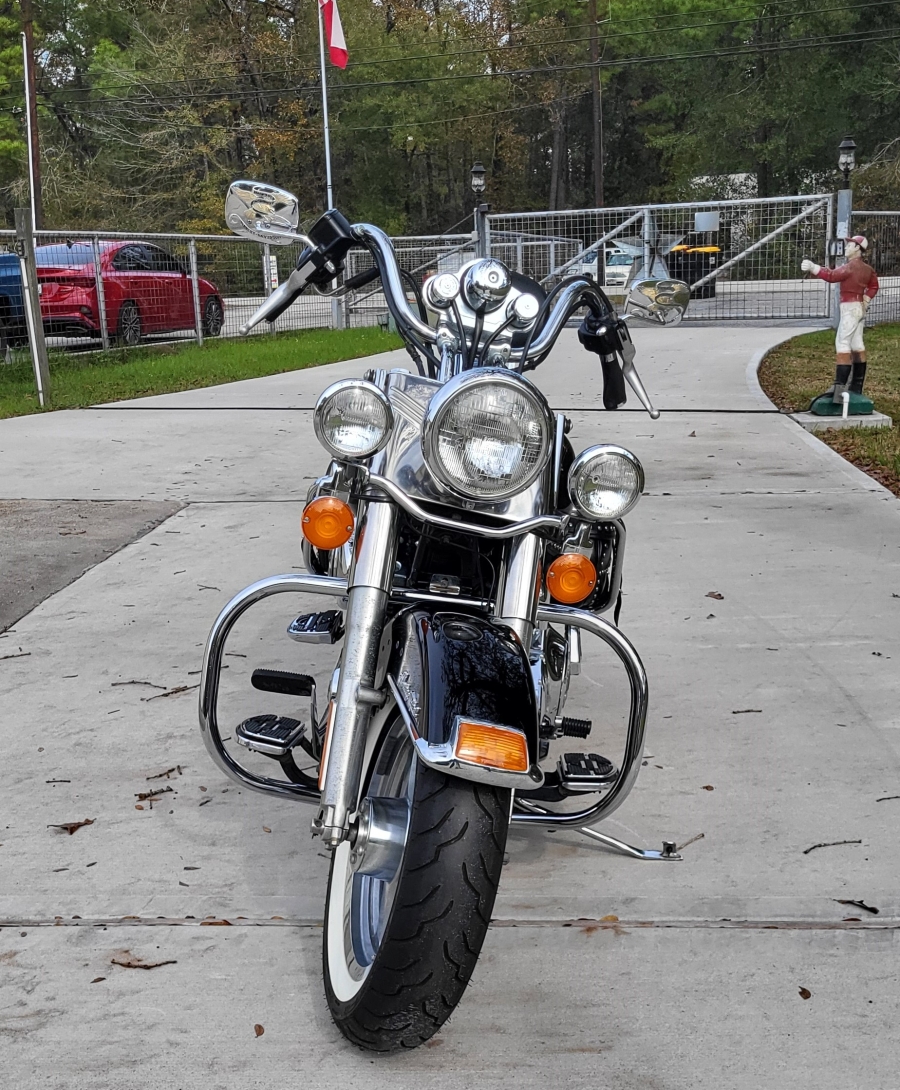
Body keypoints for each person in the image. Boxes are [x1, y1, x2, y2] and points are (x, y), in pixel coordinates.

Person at [800, 236, 879, 407]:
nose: (847, 248)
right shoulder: (867, 269)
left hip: (850, 308)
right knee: (857, 344)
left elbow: (832, 275)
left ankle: (838, 390)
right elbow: (874, 286)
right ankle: (856, 387)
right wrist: (866, 298)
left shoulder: (851, 267)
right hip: (858, 307)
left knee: (842, 343)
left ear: (858, 248)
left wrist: (814, 268)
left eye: (850, 245)